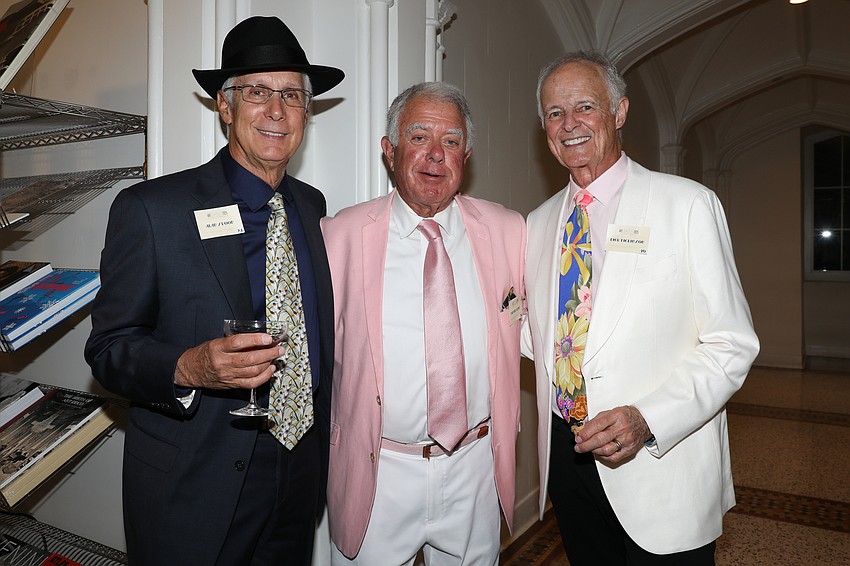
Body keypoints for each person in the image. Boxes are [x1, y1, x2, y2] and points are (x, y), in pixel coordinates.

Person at [84, 16, 343, 565]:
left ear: (306, 111)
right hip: (193, 488)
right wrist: (189, 367)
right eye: (258, 92)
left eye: (292, 95)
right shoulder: (152, 210)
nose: (277, 111)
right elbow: (107, 350)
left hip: (297, 477)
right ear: (224, 106)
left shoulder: (311, 207)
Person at [522, 51, 759, 564]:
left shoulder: (687, 205)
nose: (569, 124)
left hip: (661, 462)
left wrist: (647, 418)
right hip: (568, 461)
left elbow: (731, 344)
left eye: (585, 107)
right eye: (555, 113)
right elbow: (538, 334)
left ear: (620, 111)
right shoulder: (538, 224)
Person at [322, 82, 526, 565]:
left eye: (451, 141)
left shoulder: (508, 231)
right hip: (379, 472)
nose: (436, 155)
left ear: (466, 156)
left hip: (474, 467)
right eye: (419, 138)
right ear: (389, 150)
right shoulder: (340, 235)